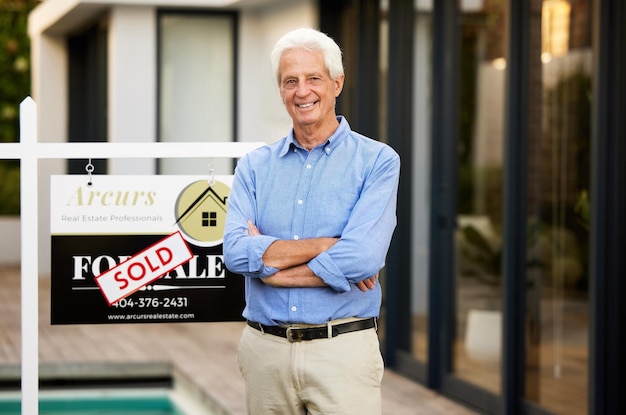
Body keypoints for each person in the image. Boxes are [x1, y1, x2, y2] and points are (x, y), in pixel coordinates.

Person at [223, 27, 400, 415]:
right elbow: (235, 253)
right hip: (264, 354)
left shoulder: (377, 161)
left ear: (337, 83)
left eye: (313, 78)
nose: (302, 91)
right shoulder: (254, 167)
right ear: (281, 90)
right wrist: (326, 245)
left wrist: (271, 270)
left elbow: (361, 259)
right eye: (291, 81)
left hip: (343, 354)